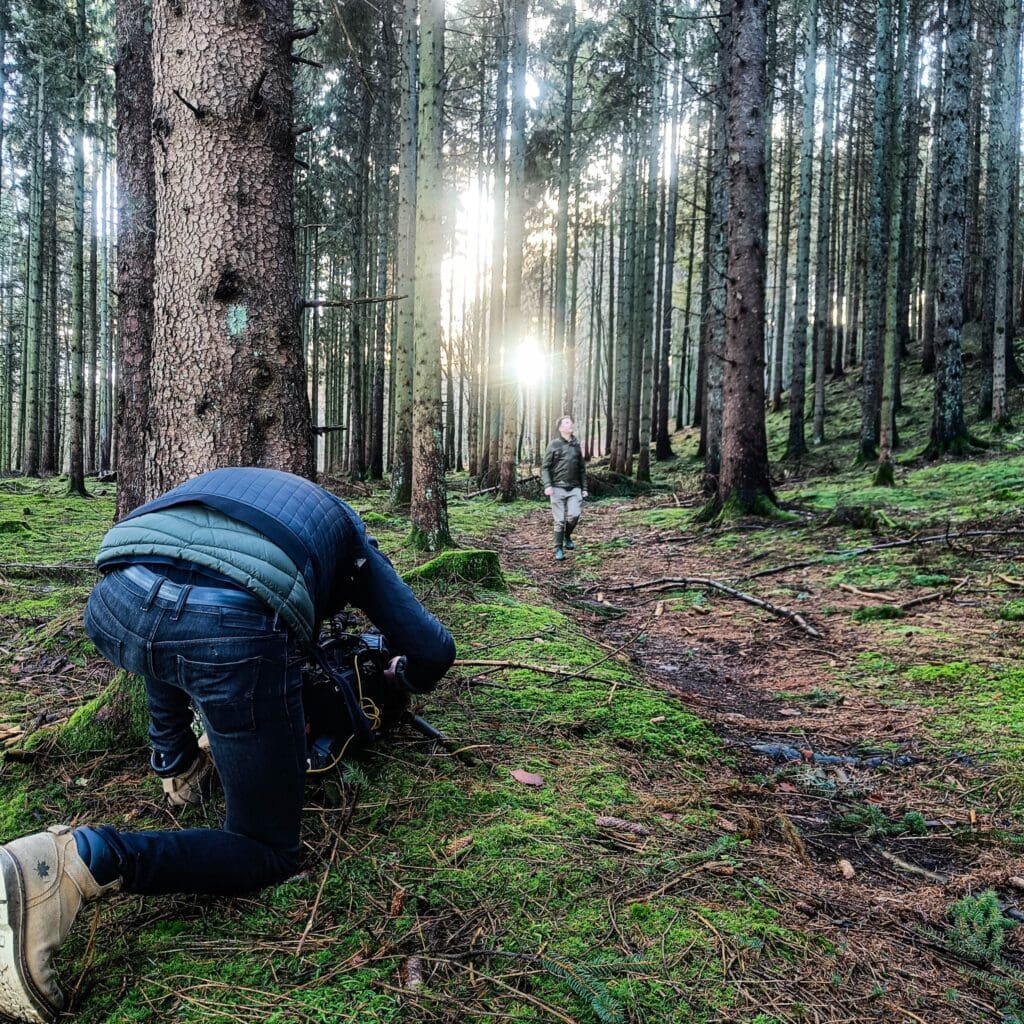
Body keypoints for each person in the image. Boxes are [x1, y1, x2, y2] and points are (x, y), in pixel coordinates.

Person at [0, 466, 456, 1024]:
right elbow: (434, 650)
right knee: (267, 849)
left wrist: (172, 747)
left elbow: (173, 595)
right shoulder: (348, 530)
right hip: (227, 632)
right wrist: (399, 679)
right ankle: (77, 863)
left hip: (114, 600)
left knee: (170, 631)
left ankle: (174, 762)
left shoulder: (233, 484)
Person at [541, 416, 588, 562]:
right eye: (567, 423)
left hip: (574, 487)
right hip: (557, 487)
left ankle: (567, 536)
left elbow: (582, 469)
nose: (570, 424)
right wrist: (548, 485)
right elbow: (545, 467)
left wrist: (584, 487)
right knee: (559, 520)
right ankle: (558, 548)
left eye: (570, 422)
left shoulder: (576, 445)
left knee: (574, 515)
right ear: (561, 428)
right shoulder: (553, 445)